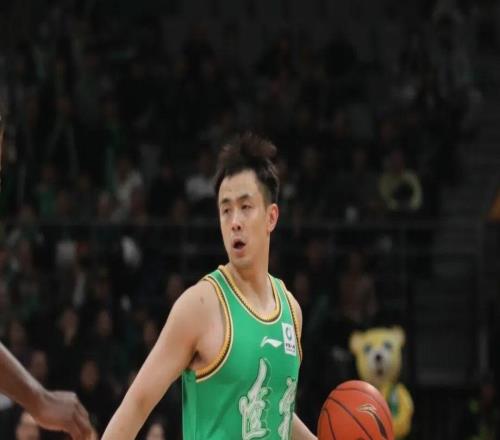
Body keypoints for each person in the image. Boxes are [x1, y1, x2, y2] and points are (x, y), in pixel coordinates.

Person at [103, 132, 316, 439]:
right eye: (226, 210)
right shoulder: (200, 305)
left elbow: (273, 409)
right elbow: (136, 404)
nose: (234, 221)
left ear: (271, 217)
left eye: (245, 207)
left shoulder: (291, 310)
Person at [0, 343, 93, 439]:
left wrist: (41, 400)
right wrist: (41, 400)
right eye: (26, 427)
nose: (30, 433)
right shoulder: (9, 416)